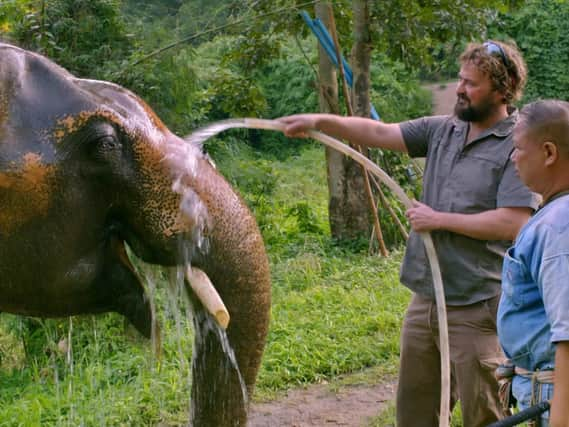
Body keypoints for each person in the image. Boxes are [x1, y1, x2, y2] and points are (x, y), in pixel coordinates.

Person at [277, 40, 540, 427]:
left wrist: (439, 220)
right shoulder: (444, 130)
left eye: (472, 84)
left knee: (484, 413)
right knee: (416, 411)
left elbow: (514, 222)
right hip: (426, 298)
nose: (460, 89)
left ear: (503, 90)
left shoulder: (516, 145)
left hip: (477, 303)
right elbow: (379, 132)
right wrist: (319, 122)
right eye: (460, 79)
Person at [497, 100, 569, 427]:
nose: (513, 159)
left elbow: (567, 333)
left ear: (549, 153)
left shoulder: (557, 227)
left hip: (553, 397)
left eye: (517, 148)